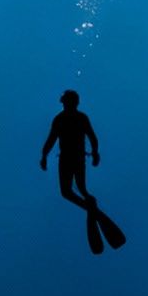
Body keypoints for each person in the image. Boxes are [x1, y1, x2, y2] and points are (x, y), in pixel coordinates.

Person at [39, 89, 125, 253]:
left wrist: (95, 153)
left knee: (68, 192)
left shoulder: (66, 119)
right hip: (75, 158)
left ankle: (92, 209)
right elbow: (90, 137)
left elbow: (90, 137)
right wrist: (94, 153)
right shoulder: (70, 118)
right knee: (78, 190)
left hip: (71, 158)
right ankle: (92, 208)